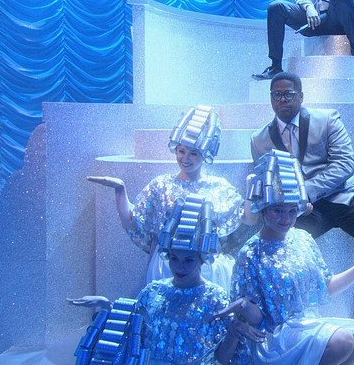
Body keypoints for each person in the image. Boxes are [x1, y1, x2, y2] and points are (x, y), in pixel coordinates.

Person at [250, 71, 354, 339]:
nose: (282, 100)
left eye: (288, 94)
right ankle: (284, 315)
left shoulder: (327, 119)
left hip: (345, 196)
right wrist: (294, 203)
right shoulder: (259, 139)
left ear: (301, 96)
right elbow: (268, 182)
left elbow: (344, 165)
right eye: (276, 95)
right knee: (274, 247)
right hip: (301, 210)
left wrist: (304, 193)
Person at [232, 150, 354, 364]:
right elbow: (251, 315)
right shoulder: (250, 253)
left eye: (292, 211)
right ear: (263, 209)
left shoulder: (303, 238)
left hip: (307, 326)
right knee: (342, 341)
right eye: (278, 210)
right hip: (276, 335)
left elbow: (326, 287)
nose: (286, 218)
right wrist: (244, 309)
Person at [70, 199, 264, 365]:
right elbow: (132, 333)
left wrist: (233, 333)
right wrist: (107, 306)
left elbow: (222, 358)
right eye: (174, 258)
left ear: (202, 260)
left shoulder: (216, 299)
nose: (180, 267)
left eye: (188, 260)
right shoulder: (153, 292)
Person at [87, 105, 251, 288]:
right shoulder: (161, 185)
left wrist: (253, 188)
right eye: (181, 151)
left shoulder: (220, 187)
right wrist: (120, 189)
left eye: (193, 153)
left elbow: (247, 221)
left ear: (205, 154)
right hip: (166, 267)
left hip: (208, 270)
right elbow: (133, 221)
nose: (185, 158)